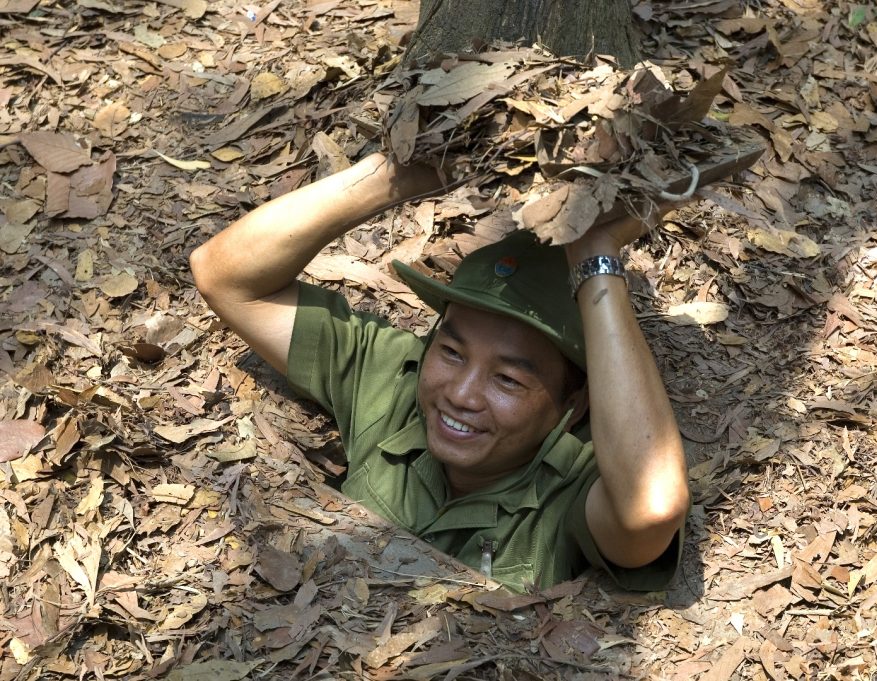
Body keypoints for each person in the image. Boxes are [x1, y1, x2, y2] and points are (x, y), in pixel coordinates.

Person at [189, 152, 690, 592]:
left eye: (508, 380)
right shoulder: (392, 379)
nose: (461, 395)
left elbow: (652, 507)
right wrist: (404, 172)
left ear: (574, 402)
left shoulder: (573, 487)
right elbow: (224, 276)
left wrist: (596, 253)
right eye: (452, 352)